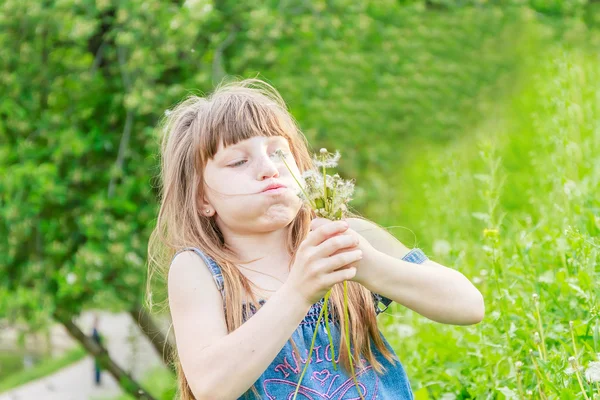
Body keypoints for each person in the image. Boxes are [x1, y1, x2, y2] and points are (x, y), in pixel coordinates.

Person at [147, 78, 485, 399]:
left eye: (279, 153)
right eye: (238, 161)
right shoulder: (199, 269)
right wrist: (298, 291)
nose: (269, 168)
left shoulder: (347, 236)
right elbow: (211, 386)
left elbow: (468, 306)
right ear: (201, 199)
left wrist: (370, 267)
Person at [91, 314, 102, 386]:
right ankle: (97, 380)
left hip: (98, 350)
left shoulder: (95, 331)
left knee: (98, 366)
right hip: (97, 350)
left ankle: (98, 380)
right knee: (97, 366)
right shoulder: (94, 332)